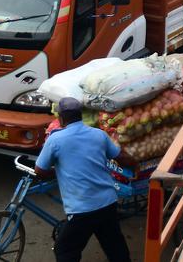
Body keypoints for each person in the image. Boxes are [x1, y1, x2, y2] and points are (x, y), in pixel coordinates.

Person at [35, 97, 134, 262]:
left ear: (61, 118)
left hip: (82, 208)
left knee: (65, 249)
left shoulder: (55, 140)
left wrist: (58, 173)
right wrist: (136, 166)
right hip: (108, 202)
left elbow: (40, 170)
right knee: (115, 247)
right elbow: (121, 157)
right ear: (80, 115)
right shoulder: (98, 134)